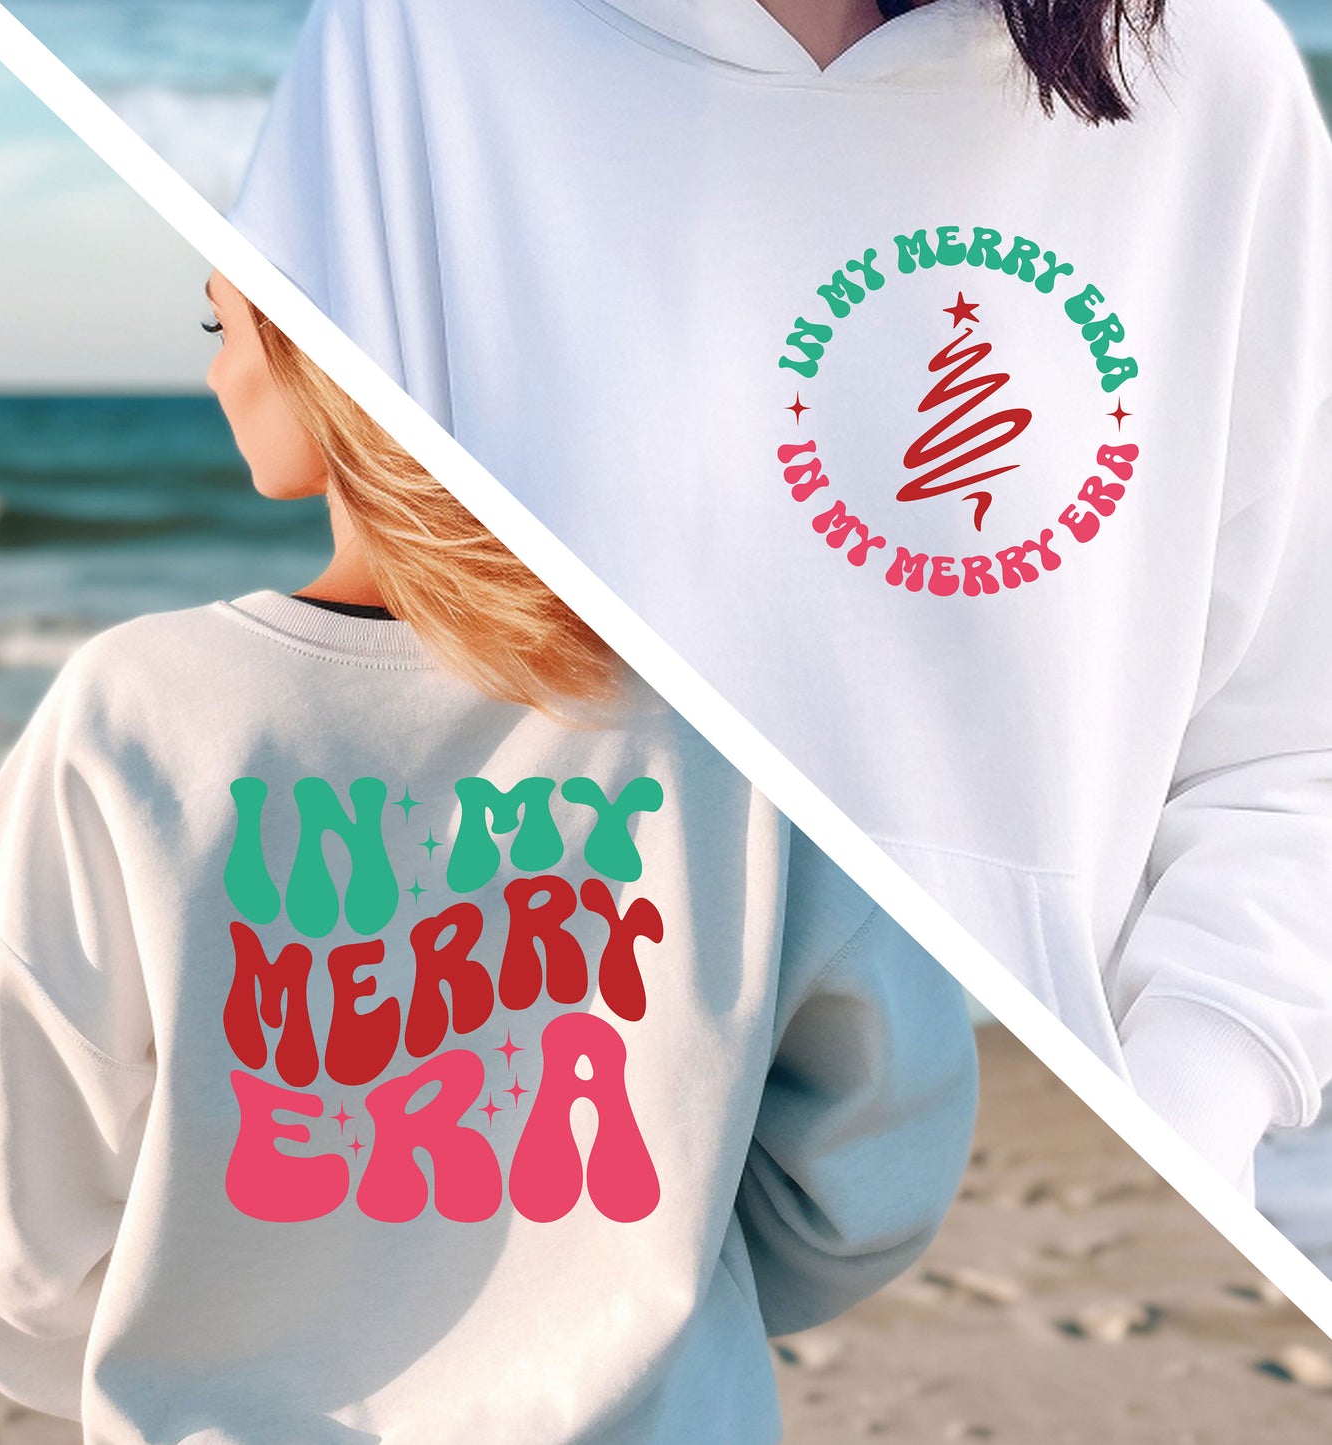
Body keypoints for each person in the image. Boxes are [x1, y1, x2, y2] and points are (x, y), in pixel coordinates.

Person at [224, 0, 1332, 1207]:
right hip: (557, 1169)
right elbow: (394, 668)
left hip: (1036, 1172)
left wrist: (1180, 1118)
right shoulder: (418, 42)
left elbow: (1284, 749)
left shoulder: (1201, 75)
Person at [0, 270, 977, 1442]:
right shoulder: (744, 715)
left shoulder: (139, 711)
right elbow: (870, 1162)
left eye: (225, 322)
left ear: (328, 352)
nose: (214, 371)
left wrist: (203, 1338)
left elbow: (14, 1235)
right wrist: (642, 1296)